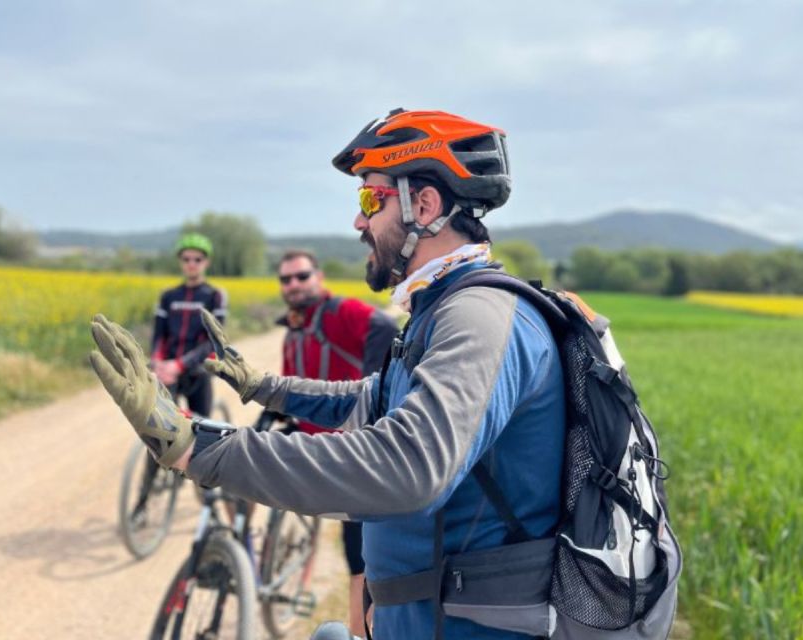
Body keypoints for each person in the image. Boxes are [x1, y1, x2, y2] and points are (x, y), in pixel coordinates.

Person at [91, 109, 565, 639]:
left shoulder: (478, 316)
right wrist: (264, 388)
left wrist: (194, 447)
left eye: (369, 200)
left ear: (425, 205)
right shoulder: (439, 309)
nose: (358, 223)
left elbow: (410, 467)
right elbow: (368, 397)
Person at [275, 248, 397, 635]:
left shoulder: (338, 312)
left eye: (301, 276)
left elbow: (383, 328)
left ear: (319, 276)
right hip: (310, 444)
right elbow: (291, 386)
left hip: (348, 451)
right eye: (286, 279)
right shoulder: (295, 329)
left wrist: (371, 393)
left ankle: (358, 631)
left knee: (358, 555)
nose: (293, 284)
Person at [151, 232, 227, 416]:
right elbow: (159, 335)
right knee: (164, 427)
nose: (191, 263)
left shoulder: (214, 295)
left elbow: (214, 340)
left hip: (197, 371)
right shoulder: (168, 296)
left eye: (197, 259)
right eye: (186, 259)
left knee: (203, 430)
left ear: (206, 262)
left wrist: (180, 364)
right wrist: (157, 363)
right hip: (168, 370)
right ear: (180, 262)